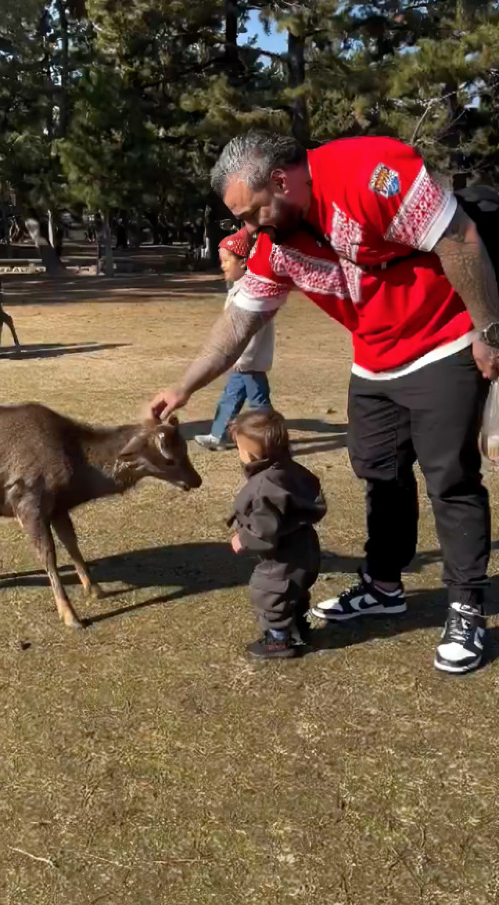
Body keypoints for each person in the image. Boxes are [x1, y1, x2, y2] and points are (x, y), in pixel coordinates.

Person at [150, 130, 499, 674]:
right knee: (379, 471)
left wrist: (487, 330)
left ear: (282, 181)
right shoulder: (274, 247)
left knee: (449, 477)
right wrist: (186, 385)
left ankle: (466, 606)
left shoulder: (370, 172)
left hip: (444, 337)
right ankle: (384, 584)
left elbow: (460, 239)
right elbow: (239, 321)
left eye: (253, 211)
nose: (249, 228)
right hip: (374, 357)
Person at [228, 409, 326, 659]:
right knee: (293, 589)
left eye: (239, 447)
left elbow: (263, 528)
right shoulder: (288, 468)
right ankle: (298, 627)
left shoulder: (265, 486)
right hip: (305, 545)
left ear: (250, 453)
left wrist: (243, 538)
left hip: (284, 554)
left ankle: (279, 640)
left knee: (268, 591)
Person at [195, 226, 274, 451]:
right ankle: (218, 435)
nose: (222, 266)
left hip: (248, 361)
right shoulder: (239, 289)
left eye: (227, 260)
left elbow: (252, 332)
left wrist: (242, 358)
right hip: (239, 361)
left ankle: (271, 438)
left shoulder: (252, 293)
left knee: (259, 404)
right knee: (230, 398)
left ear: (243, 262)